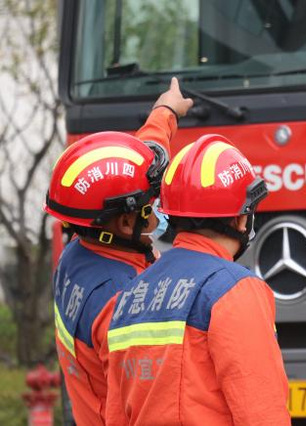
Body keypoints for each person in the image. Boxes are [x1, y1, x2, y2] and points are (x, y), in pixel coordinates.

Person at [104, 134, 290, 425]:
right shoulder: (234, 290)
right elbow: (262, 413)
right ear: (242, 219)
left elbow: (115, 415)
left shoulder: (128, 296)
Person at [46, 78, 193, 426]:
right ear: (126, 223)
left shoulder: (79, 252)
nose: (158, 210)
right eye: (151, 205)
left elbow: (132, 165)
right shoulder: (123, 304)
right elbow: (148, 408)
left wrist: (165, 110)